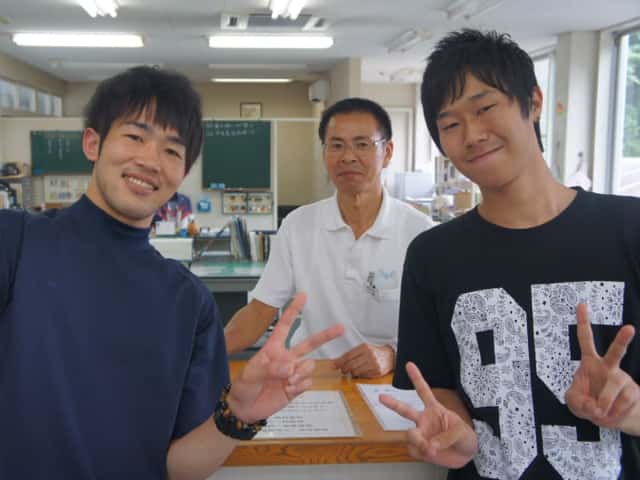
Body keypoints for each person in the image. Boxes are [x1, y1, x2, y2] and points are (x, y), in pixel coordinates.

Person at [0, 66, 343, 479]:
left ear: (182, 173)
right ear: (93, 143)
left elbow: (177, 467)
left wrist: (237, 416)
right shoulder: (16, 242)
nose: (149, 160)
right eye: (135, 136)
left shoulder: (189, 302)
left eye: (172, 151)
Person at [380, 29, 640, 479]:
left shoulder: (629, 230)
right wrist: (457, 434)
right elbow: (439, 386)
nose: (472, 135)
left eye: (485, 108)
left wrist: (630, 411)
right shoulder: (432, 255)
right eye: (450, 124)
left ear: (533, 102)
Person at [224, 97, 434, 378]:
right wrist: (199, 353)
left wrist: (393, 354)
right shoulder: (298, 225)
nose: (347, 156)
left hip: (388, 380)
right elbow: (259, 311)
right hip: (311, 376)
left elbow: (437, 328)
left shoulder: (421, 234)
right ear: (324, 153)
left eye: (362, 144)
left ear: (387, 152)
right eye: (336, 145)